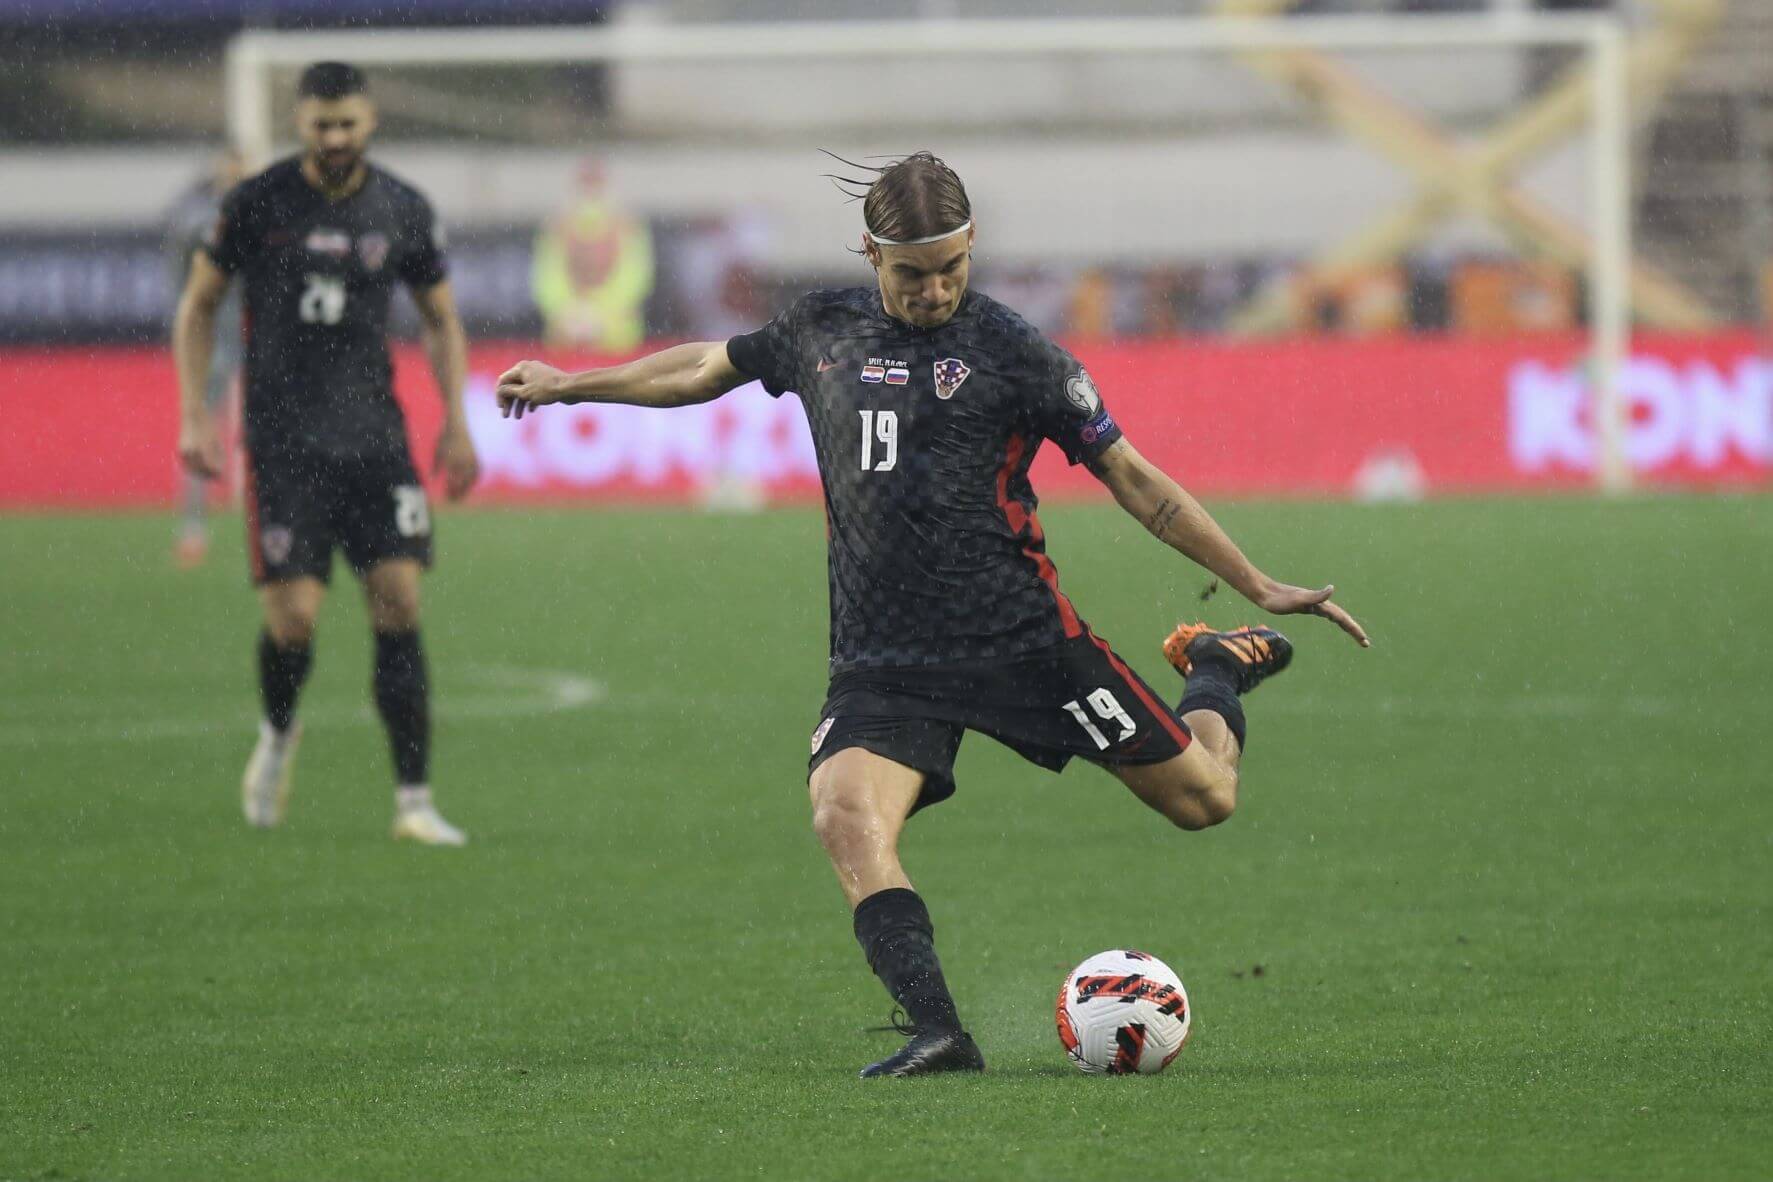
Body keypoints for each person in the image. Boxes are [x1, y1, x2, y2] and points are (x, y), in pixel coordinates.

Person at [494, 153, 1369, 1074]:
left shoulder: (1016, 353)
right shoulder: (818, 328)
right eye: (913, 271)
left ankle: (1217, 669)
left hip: (1022, 641)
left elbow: (1134, 480)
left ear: (970, 246)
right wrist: (570, 381)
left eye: (952, 267)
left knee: (1206, 801)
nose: (935, 288)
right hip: (885, 658)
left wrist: (1255, 583)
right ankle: (939, 1030)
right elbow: (701, 368)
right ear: (871, 253)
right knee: (843, 815)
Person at [172, 61, 480, 846]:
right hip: (283, 444)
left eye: (347, 124)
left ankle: (414, 802)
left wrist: (456, 421)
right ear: (301, 124)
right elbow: (199, 305)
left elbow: (440, 319)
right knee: (295, 620)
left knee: (400, 602)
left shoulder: (404, 209)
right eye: (320, 125)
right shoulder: (256, 202)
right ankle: (278, 736)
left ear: (369, 122)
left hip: (375, 438)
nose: (335, 138)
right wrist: (195, 417)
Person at [162, 147, 246, 568]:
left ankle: (275, 525)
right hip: (213, 341)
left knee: (268, 433)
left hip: (256, 339)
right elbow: (182, 284)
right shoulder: (198, 220)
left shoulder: (260, 214)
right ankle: (193, 525)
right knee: (199, 429)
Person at [530, 157, 655, 350]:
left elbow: (635, 278)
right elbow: (547, 280)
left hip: (618, 341)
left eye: (595, 182)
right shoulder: (557, 227)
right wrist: (568, 315)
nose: (590, 191)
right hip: (566, 338)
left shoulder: (627, 225)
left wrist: (602, 319)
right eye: (586, 182)